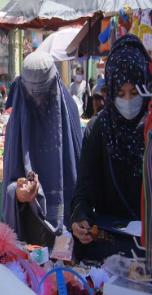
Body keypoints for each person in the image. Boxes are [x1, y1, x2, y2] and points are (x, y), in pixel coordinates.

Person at [71, 35, 151, 261]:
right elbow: (84, 189)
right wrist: (80, 218)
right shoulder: (98, 128)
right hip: (110, 244)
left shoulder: (151, 128)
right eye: (120, 93)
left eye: (134, 93)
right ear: (110, 91)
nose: (127, 101)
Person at [2, 51, 82, 246]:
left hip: (72, 230)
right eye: (32, 92)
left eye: (44, 91)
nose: (38, 99)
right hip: (29, 232)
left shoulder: (69, 112)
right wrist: (20, 193)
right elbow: (10, 183)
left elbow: (81, 175)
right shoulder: (16, 124)